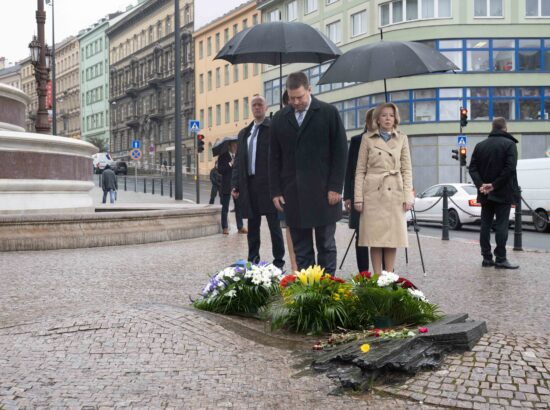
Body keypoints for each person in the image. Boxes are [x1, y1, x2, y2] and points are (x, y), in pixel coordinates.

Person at [269, 72, 348, 275]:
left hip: (324, 193)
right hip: (293, 194)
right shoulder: (279, 119)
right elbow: (274, 158)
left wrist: (335, 187)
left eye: (300, 97)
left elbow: (340, 153)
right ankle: (308, 292)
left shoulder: (328, 113)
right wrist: (276, 191)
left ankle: (327, 288)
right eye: (292, 97)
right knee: (302, 249)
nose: (296, 102)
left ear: (309, 90)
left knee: (326, 246)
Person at [354, 103, 413, 275]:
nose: (388, 118)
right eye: (384, 115)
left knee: (392, 238)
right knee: (375, 237)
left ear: (396, 119)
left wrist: (407, 197)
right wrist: (358, 198)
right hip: (373, 193)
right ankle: (377, 276)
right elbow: (360, 170)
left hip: (395, 191)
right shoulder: (367, 139)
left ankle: (389, 276)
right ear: (377, 119)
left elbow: (407, 169)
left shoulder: (402, 138)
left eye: (391, 115)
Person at [231, 95, 285, 268]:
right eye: (254, 105)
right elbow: (238, 161)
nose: (257, 107)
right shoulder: (244, 133)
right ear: (251, 108)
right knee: (252, 226)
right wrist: (235, 184)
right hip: (250, 185)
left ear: (266, 106)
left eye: (260, 104)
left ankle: (278, 262)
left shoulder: (273, 128)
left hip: (269, 186)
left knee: (274, 226)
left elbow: (280, 157)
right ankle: (252, 260)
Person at [469, 117, 519, 269]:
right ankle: (501, 258)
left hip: (484, 193)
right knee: (502, 225)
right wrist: (494, 185)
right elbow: (509, 169)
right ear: (505, 128)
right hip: (503, 192)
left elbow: (472, 168)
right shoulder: (509, 145)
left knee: (485, 224)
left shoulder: (480, 145)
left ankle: (486, 258)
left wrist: (481, 185)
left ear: (492, 127)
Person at [343, 107, 375, 272]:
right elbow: (349, 170)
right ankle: (364, 273)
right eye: (374, 119)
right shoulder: (357, 141)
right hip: (359, 193)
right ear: (367, 122)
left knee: (380, 236)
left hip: (379, 195)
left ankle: (382, 273)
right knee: (361, 235)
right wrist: (347, 196)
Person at [218, 141, 246, 235]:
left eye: (237, 145)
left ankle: (240, 227)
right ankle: (225, 227)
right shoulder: (223, 156)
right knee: (225, 207)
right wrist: (230, 164)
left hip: (236, 186)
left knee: (239, 207)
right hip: (226, 185)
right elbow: (220, 170)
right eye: (234, 145)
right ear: (229, 146)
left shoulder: (238, 156)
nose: (236, 146)